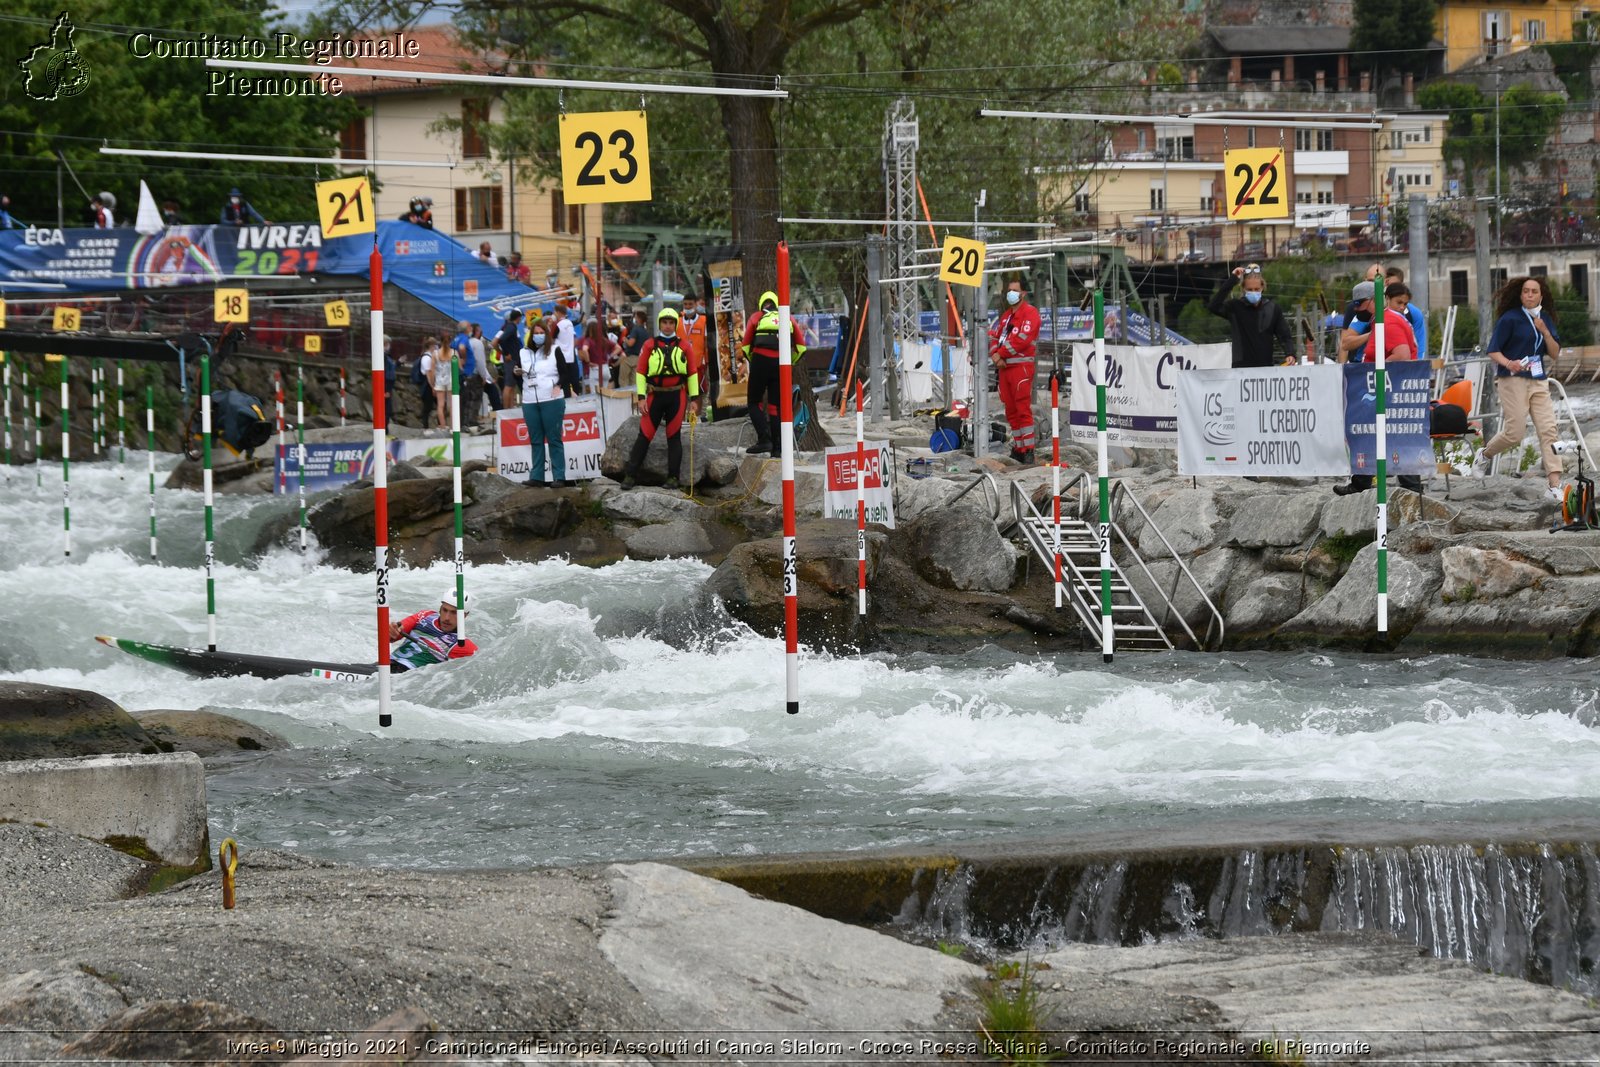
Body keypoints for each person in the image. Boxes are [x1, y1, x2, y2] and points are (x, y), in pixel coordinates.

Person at [1472, 275, 1565, 502]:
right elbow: (1493, 350)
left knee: (1549, 430)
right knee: (1516, 433)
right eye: (1526, 291)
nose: (1530, 295)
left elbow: (1554, 353)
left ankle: (1554, 485)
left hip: (1538, 378)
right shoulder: (1509, 318)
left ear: (1541, 295)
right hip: (1512, 379)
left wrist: (1544, 330)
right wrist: (1508, 363)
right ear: (1520, 295)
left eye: (1534, 291)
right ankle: (1484, 455)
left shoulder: (1544, 319)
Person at [1332, 280, 1423, 497]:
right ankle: (1361, 482)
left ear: (1375, 301)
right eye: (1354, 305)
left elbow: (1401, 355)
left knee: (1395, 435)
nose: (1356, 310)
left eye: (1360, 304)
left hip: (1390, 387)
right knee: (1372, 434)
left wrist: (1374, 374)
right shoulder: (1380, 322)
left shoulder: (1388, 323)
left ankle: (1411, 488)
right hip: (1387, 386)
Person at [622, 307, 701, 490]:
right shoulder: (649, 345)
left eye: (671, 322)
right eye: (664, 322)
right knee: (644, 435)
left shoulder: (684, 346)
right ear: (659, 324)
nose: (667, 326)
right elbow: (641, 372)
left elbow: (692, 373)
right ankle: (630, 475)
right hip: (654, 395)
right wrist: (641, 397)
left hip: (677, 395)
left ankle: (673, 477)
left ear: (675, 324)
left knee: (673, 437)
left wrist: (694, 399)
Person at [738, 290, 805, 456]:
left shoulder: (756, 317)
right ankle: (778, 448)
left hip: (760, 359)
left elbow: (745, 346)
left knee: (754, 402)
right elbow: (801, 348)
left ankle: (764, 439)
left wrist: (756, 361)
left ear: (762, 304)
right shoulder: (788, 317)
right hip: (781, 364)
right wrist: (790, 361)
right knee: (776, 407)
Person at [988, 278, 1041, 463]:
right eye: (1009, 290)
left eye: (1014, 290)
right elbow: (994, 336)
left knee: (1022, 409)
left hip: (1020, 367)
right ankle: (1019, 447)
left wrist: (999, 354)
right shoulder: (1006, 317)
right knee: (1010, 410)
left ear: (1023, 293)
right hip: (1005, 368)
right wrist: (996, 354)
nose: (1011, 293)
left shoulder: (1030, 313)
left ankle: (1028, 450)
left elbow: (1022, 339)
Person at [1208, 263, 1293, 369]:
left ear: (1262, 287)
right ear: (1243, 288)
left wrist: (1290, 353)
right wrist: (1233, 279)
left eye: (1257, 289)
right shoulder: (1235, 307)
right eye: (1250, 289)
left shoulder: (1272, 309)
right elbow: (1214, 306)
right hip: (1241, 370)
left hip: (1265, 369)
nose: (1254, 292)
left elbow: (1284, 335)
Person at [518, 323, 568, 488]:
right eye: (535, 332)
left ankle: (559, 476)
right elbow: (519, 376)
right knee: (536, 440)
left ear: (546, 334)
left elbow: (565, 373)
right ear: (531, 335)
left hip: (552, 400)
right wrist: (516, 374)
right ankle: (537, 476)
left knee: (554, 438)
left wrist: (558, 386)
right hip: (529, 400)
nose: (538, 335)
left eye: (541, 332)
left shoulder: (554, 350)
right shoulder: (523, 352)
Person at [389, 591, 478, 673]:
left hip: (405, 678)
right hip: (387, 663)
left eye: (454, 613)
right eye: (444, 610)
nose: (447, 618)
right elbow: (390, 637)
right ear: (440, 608)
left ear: (464, 615)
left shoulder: (464, 646)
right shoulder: (425, 616)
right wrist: (391, 631)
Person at [681, 295, 711, 412]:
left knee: (697, 393)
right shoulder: (678, 321)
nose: (688, 307)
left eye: (690, 304)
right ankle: (681, 420)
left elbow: (707, 342)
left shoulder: (704, 320)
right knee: (682, 393)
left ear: (696, 305)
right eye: (685, 304)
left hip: (698, 364)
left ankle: (696, 420)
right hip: (680, 365)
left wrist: (706, 361)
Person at [496, 309, 524, 410]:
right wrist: (506, 353)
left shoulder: (511, 327)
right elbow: (500, 340)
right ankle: (506, 409)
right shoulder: (511, 327)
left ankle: (510, 408)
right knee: (508, 385)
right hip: (511, 360)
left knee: (512, 385)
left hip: (514, 359)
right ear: (518, 317)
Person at [431, 338, 455, 432]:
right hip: (451, 380)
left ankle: (443, 425)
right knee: (451, 405)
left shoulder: (435, 354)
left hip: (439, 380)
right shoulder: (454, 353)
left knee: (440, 405)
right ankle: (453, 426)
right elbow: (458, 368)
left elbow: (432, 370)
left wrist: (432, 384)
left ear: (440, 342)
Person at [466, 321, 489, 420]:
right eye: (480, 330)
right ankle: (473, 420)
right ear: (477, 331)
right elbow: (480, 361)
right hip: (475, 374)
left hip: (466, 374)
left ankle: (466, 420)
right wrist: (484, 375)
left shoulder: (466, 342)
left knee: (467, 399)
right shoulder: (478, 343)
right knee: (476, 399)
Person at [415, 337, 439, 428]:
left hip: (430, 385)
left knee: (436, 405)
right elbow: (429, 373)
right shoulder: (427, 358)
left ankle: (436, 424)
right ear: (432, 346)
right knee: (427, 407)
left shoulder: (429, 357)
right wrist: (433, 387)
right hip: (428, 385)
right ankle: (425, 426)